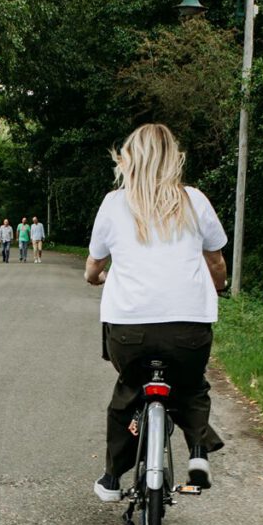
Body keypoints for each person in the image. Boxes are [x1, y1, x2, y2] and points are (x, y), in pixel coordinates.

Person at [85, 123, 227, 502]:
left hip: (129, 332)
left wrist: (95, 277)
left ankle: (113, 478)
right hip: (188, 330)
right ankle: (198, 454)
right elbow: (216, 261)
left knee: (129, 390)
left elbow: (94, 264)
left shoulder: (114, 203)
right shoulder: (195, 200)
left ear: (128, 159)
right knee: (191, 385)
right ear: (173, 159)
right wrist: (219, 285)